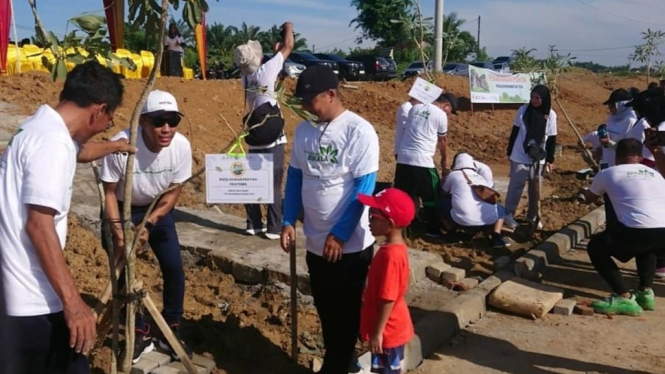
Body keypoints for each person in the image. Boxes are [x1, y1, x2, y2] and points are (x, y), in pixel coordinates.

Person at [0, 61, 126, 373]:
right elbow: (39, 226)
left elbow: (77, 150)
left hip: (13, 296)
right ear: (97, 110)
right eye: (107, 122)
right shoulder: (53, 144)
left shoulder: (37, 126)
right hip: (34, 301)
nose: (103, 128)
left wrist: (114, 146)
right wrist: (74, 304)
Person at [280, 65, 379, 374]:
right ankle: (344, 361)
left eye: (311, 100)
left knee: (347, 311)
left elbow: (364, 189)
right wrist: (287, 220)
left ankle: (336, 366)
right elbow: (295, 178)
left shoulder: (358, 131)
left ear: (332, 94)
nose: (307, 107)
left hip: (349, 245)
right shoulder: (304, 131)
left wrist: (340, 233)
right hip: (316, 240)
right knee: (325, 307)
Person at [100, 90, 193, 363]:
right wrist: (119, 231)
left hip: (156, 209)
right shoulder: (121, 145)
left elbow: (174, 192)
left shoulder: (181, 147)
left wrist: (149, 223)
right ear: (142, 122)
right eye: (158, 121)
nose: (166, 129)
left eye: (172, 121)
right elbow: (108, 192)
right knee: (124, 273)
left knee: (174, 267)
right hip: (121, 206)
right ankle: (138, 329)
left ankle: (171, 327)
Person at [579, 139, 665, 316]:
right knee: (648, 246)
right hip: (663, 231)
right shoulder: (654, 173)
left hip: (637, 231)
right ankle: (645, 292)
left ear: (617, 157)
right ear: (640, 157)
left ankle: (624, 297)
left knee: (596, 247)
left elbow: (589, 199)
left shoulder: (608, 172)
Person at [234, 22, 294, 240]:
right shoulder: (266, 71)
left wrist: (276, 52)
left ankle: (253, 223)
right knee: (274, 184)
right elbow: (289, 46)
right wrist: (288, 27)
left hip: (254, 136)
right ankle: (274, 228)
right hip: (273, 139)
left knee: (253, 181)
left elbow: (279, 55)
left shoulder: (246, 77)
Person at [358, 188, 415, 374]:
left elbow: (387, 298)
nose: (369, 220)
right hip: (389, 329)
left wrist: (377, 333)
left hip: (388, 331)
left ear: (389, 223)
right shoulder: (393, 249)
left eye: (373, 216)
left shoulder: (391, 257)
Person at [394, 93, 457, 236]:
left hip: (404, 160)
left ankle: (404, 225)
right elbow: (442, 140)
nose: (449, 114)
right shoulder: (441, 115)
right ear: (446, 106)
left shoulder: (414, 109)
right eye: (450, 111)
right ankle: (432, 229)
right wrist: (444, 160)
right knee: (431, 197)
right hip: (423, 162)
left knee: (404, 195)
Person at [504, 85, 557, 229]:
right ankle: (508, 214)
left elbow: (552, 139)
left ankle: (533, 216)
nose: (533, 100)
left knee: (535, 189)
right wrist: (510, 152)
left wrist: (550, 160)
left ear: (544, 99)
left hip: (538, 157)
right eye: (532, 97)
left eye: (537, 98)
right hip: (520, 154)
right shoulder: (523, 110)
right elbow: (515, 131)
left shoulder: (550, 115)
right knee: (515, 187)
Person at [441, 153, 508, 248]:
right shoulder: (480, 177)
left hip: (463, 222)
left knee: (442, 201)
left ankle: (452, 233)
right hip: (487, 222)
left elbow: (443, 192)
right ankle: (496, 236)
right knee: (500, 208)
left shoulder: (453, 175)